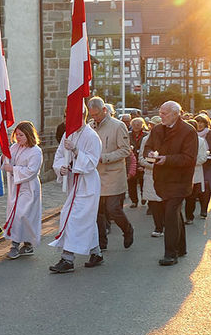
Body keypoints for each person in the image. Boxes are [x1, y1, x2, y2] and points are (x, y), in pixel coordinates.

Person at [143, 101, 198, 266]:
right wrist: (150, 154)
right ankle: (181, 248)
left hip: (180, 180)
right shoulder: (157, 129)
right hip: (162, 179)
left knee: (170, 214)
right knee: (173, 213)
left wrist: (166, 159)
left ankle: (170, 254)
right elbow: (147, 148)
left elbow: (189, 158)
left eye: (164, 113)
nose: (161, 116)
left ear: (176, 114)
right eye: (160, 112)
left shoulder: (188, 131)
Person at [49, 110, 103, 273]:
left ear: (81, 116)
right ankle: (96, 253)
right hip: (74, 182)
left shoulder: (92, 136)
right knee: (86, 219)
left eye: (69, 116)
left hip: (87, 183)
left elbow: (92, 162)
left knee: (73, 217)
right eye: (65, 117)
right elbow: (59, 156)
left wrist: (76, 150)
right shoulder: (68, 133)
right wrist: (61, 168)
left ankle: (68, 259)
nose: (66, 120)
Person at [89, 96, 134, 256]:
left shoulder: (118, 126)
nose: (95, 118)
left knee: (113, 209)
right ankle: (101, 243)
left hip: (114, 175)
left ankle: (127, 229)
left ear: (104, 110)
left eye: (97, 114)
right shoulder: (90, 127)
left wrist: (105, 157)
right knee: (98, 211)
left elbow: (125, 150)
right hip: (96, 176)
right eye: (92, 115)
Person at [0, 121, 43, 259]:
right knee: (16, 213)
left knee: (22, 214)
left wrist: (13, 169)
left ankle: (16, 244)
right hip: (16, 186)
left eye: (21, 135)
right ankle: (25, 243)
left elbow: (32, 170)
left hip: (28, 188)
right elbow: (8, 159)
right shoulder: (15, 147)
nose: (18, 138)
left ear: (29, 135)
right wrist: (4, 156)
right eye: (17, 134)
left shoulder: (36, 151)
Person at [192, 113, 211, 219]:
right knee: (198, 187)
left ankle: (204, 209)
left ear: (206, 123)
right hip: (197, 165)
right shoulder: (192, 134)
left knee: (207, 186)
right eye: (198, 122)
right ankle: (197, 206)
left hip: (210, 164)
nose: (199, 125)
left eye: (202, 123)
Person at [139, 116, 164, 237]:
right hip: (151, 175)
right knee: (154, 203)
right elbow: (141, 158)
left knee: (165, 203)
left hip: (166, 175)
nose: (152, 127)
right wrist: (153, 164)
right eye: (151, 125)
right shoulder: (146, 139)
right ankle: (158, 227)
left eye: (155, 125)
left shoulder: (168, 138)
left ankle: (166, 226)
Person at [183, 119, 209, 224]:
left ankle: (189, 217)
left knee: (191, 197)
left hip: (195, 173)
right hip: (180, 174)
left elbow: (203, 158)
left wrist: (189, 163)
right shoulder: (180, 140)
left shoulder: (201, 141)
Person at [128, 117, 147, 207]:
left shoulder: (146, 135)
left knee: (143, 181)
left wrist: (142, 165)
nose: (136, 126)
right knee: (131, 183)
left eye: (138, 124)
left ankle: (144, 197)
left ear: (142, 125)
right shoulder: (128, 135)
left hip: (142, 161)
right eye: (134, 124)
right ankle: (134, 201)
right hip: (131, 162)